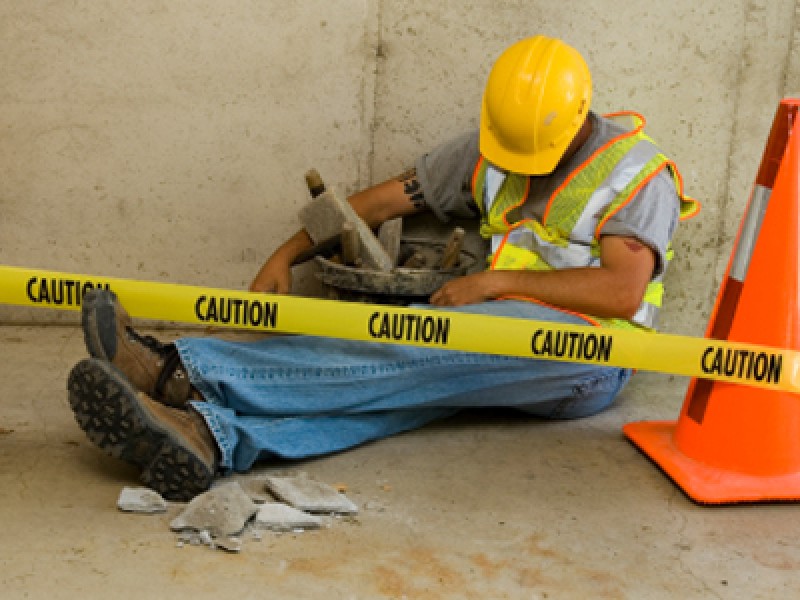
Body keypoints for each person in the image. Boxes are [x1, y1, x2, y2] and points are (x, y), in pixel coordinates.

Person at [66, 35, 699, 501]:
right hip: (501, 324)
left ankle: (182, 370)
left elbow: (620, 290)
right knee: (398, 386)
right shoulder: (500, 142)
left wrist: (495, 281)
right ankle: (209, 434)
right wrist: (286, 253)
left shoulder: (635, 173)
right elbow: (381, 201)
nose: (525, 167)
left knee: (402, 349)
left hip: (586, 355)